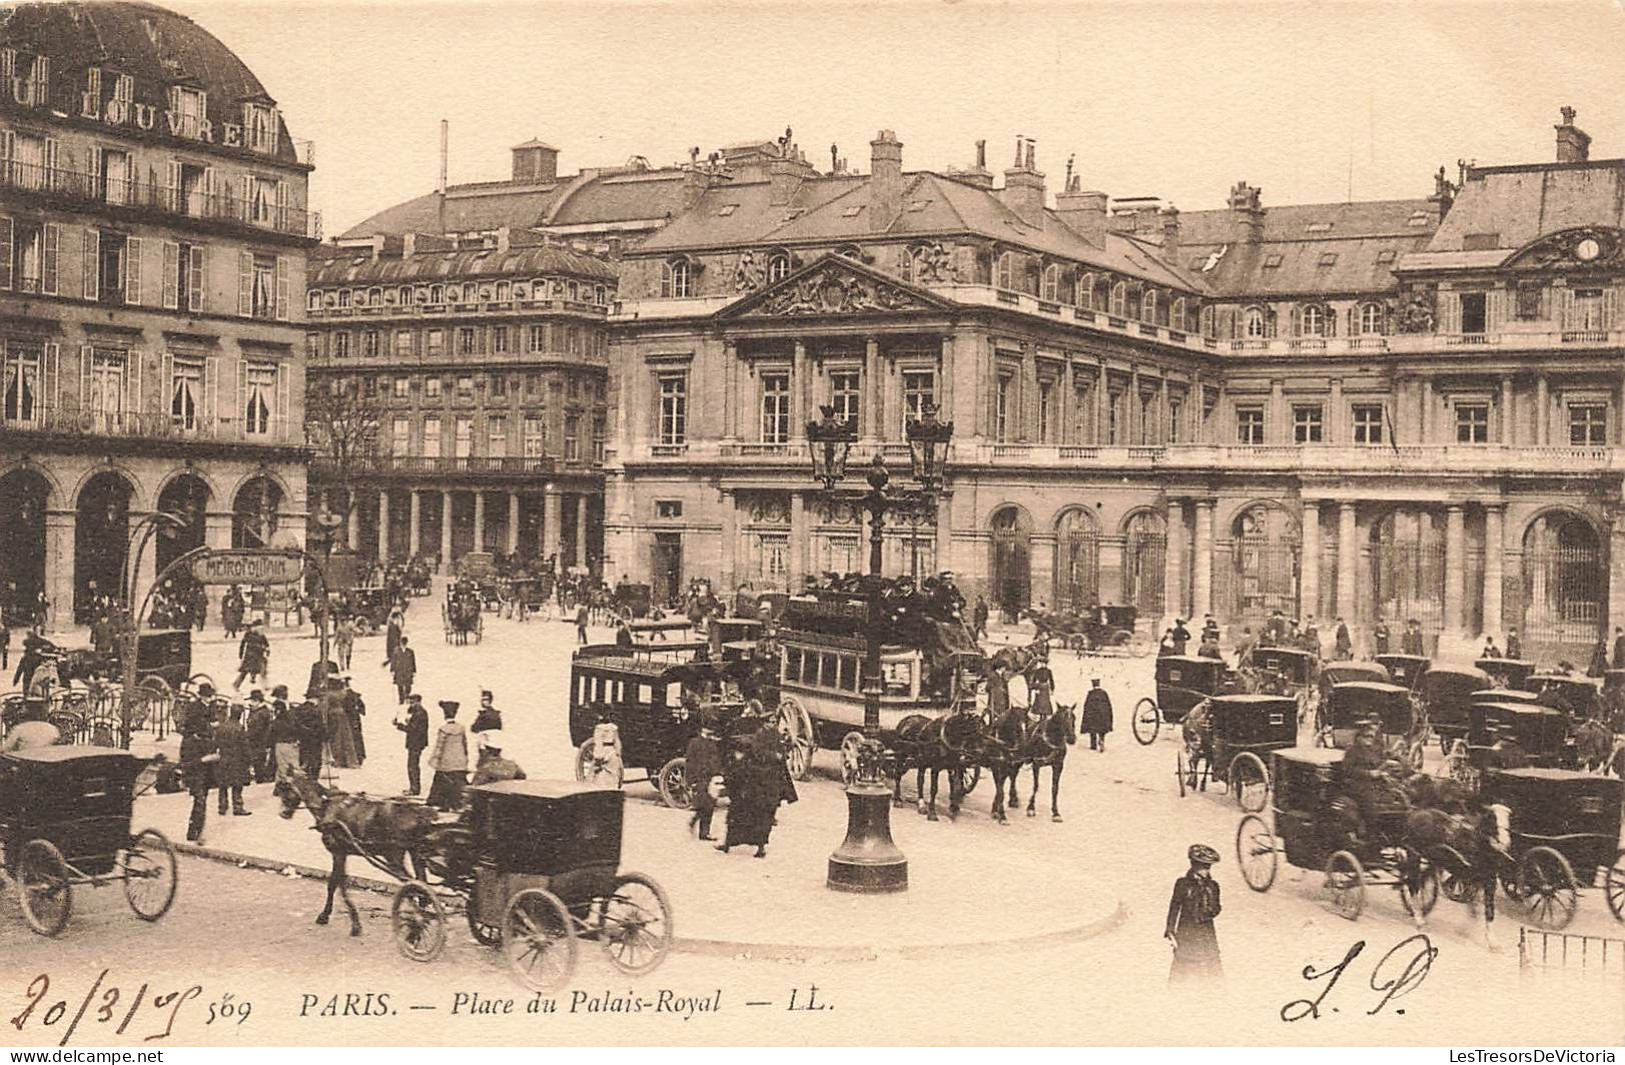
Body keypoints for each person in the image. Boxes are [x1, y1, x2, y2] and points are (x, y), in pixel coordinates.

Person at [719, 727, 795, 858]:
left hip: (754, 790)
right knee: (761, 819)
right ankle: (756, 847)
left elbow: (745, 765)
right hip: (765, 791)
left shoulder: (758, 744)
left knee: (740, 815)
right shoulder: (776, 748)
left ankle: (729, 844)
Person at [1165, 844, 1224, 982]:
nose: (1206, 871)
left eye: (1208, 867)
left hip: (1206, 933)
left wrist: (1211, 910)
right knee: (1184, 965)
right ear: (1194, 866)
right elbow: (1174, 907)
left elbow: (1217, 907)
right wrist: (1170, 930)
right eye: (1203, 867)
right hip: (1187, 931)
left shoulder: (1213, 886)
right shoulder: (1182, 884)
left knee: (1211, 964)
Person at [178, 704, 218, 843]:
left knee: (201, 803)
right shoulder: (188, 743)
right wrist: (203, 760)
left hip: (205, 777)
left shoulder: (208, 741)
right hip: (194, 777)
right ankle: (196, 833)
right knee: (200, 803)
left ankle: (194, 831)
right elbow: (185, 764)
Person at [684, 716, 724, 841]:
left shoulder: (712, 743)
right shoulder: (695, 742)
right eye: (708, 729)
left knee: (710, 804)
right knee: (706, 803)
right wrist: (690, 780)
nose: (710, 732)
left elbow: (716, 761)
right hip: (699, 777)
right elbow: (689, 762)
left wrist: (717, 773)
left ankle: (702, 830)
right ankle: (701, 829)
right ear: (703, 729)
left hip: (710, 777)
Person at [426, 700, 470, 810]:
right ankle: (456, 803)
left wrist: (434, 760)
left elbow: (439, 746)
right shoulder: (461, 728)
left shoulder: (443, 729)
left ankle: (442, 803)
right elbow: (465, 744)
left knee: (442, 782)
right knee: (457, 783)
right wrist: (465, 758)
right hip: (459, 761)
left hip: (446, 762)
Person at [213, 703, 253, 818]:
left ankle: (222, 806)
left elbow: (216, 742)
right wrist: (248, 759)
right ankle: (237, 807)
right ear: (240, 715)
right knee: (237, 784)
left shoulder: (222, 726)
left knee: (223, 784)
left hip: (224, 757)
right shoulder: (239, 728)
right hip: (237, 759)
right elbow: (244, 746)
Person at [269, 689, 301, 804]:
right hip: (292, 743)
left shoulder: (278, 720)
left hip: (281, 744)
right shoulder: (293, 713)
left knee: (283, 768)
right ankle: (283, 788)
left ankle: (284, 789)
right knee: (292, 767)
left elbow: (272, 732)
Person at [394, 693, 430, 796]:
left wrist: (399, 725)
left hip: (416, 743)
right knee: (413, 765)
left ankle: (414, 788)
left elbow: (412, 729)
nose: (411, 704)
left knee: (412, 765)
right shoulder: (418, 712)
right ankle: (414, 787)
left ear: (418, 701)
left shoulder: (419, 713)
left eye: (412, 702)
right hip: (417, 742)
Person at [323, 676, 359, 769]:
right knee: (346, 737)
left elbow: (325, 707)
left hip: (332, 715)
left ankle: (337, 760)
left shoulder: (328, 694)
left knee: (336, 737)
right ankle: (350, 761)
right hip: (343, 715)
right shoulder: (343, 693)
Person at [244, 690, 273, 784]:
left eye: (252, 701)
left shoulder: (262, 713)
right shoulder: (257, 712)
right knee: (257, 763)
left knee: (258, 764)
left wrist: (246, 736)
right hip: (257, 743)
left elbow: (257, 730)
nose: (250, 703)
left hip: (258, 743)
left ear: (257, 701)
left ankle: (260, 781)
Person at [295, 697, 327, 782]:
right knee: (316, 759)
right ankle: (314, 779)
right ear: (315, 699)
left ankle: (304, 778)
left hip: (303, 738)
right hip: (315, 739)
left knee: (304, 758)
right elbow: (320, 726)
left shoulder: (298, 709)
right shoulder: (316, 710)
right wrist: (325, 737)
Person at [235, 621, 269, 691]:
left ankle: (265, 686)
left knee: (263, 671)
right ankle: (236, 685)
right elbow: (245, 645)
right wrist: (241, 655)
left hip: (259, 656)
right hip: (250, 657)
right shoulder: (249, 635)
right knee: (244, 672)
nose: (261, 629)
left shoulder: (261, 635)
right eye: (259, 628)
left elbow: (266, 643)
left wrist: (267, 649)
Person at [1081, 677, 1113, 752]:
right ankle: (1101, 740)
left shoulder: (1090, 693)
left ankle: (1093, 745)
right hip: (1102, 716)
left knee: (1092, 731)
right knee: (1102, 730)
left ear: (1092, 685)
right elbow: (1108, 705)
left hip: (1093, 717)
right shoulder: (1104, 693)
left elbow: (1086, 705)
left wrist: (1086, 717)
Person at [344, 678, 367, 765]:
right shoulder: (354, 695)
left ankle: (357, 756)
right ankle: (360, 756)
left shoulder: (346, 695)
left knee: (352, 737)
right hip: (355, 719)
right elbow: (363, 710)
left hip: (349, 720)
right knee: (357, 737)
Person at [390, 635, 417, 705]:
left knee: (408, 685)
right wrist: (392, 670)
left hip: (408, 670)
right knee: (400, 685)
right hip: (399, 670)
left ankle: (407, 696)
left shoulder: (410, 651)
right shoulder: (396, 651)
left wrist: (414, 671)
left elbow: (413, 661)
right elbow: (393, 661)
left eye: (404, 643)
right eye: (402, 643)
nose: (403, 644)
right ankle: (401, 699)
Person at [1027, 649, 1054, 716]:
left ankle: (1044, 716)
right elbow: (1033, 680)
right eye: (1041, 663)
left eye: (1044, 664)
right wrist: (1034, 688)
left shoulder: (1048, 671)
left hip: (1046, 688)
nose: (1043, 665)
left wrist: (1052, 689)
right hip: (1039, 687)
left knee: (1046, 703)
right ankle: (1040, 716)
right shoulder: (1037, 671)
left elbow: (1051, 680)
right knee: (1038, 703)